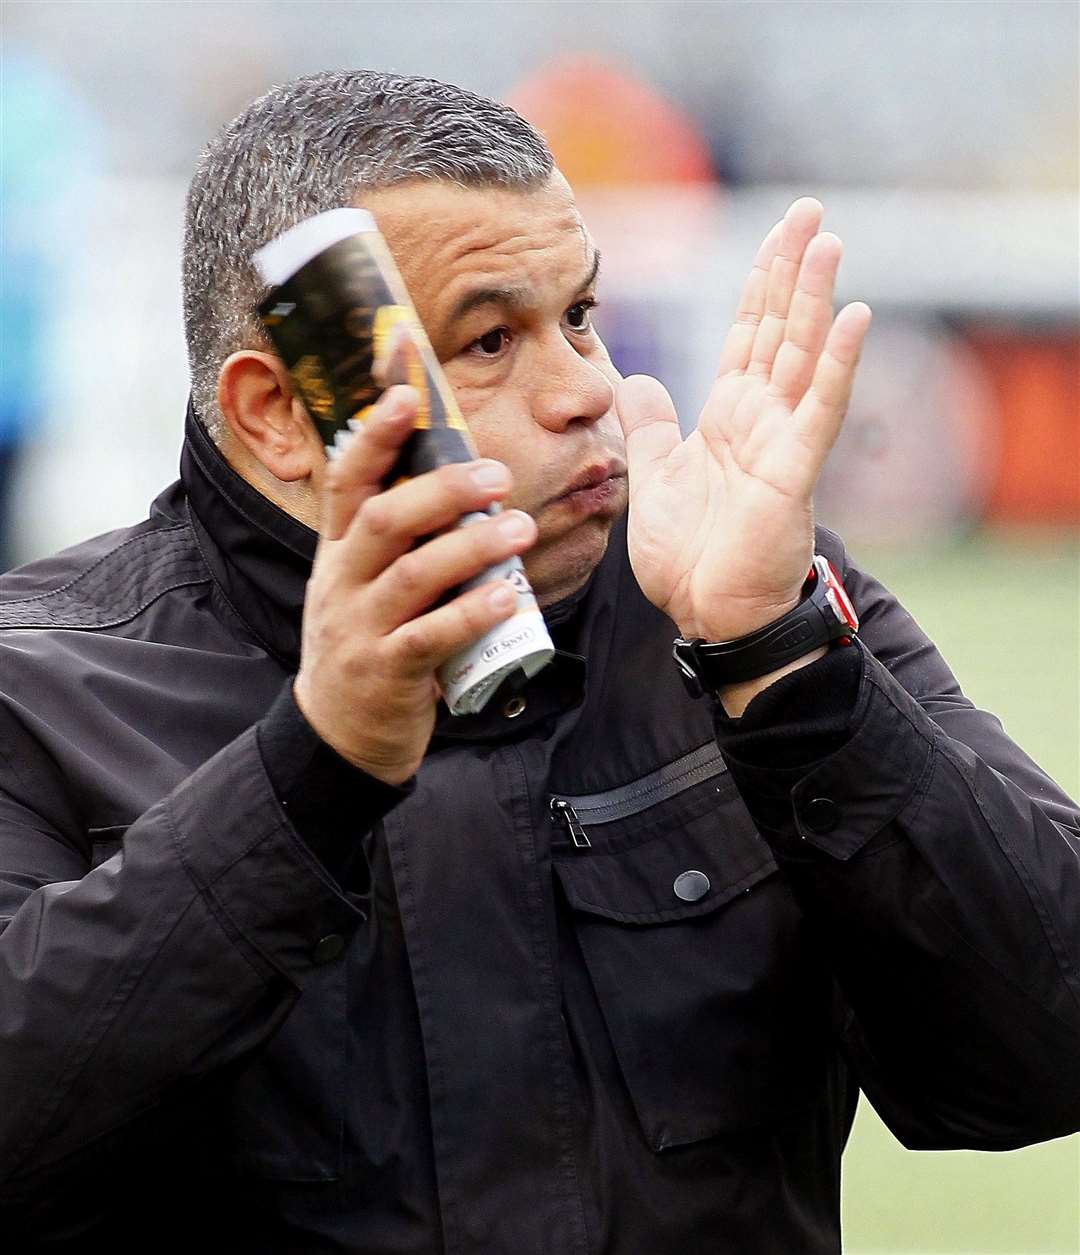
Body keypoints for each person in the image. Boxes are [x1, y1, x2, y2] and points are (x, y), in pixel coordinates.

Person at [0, 71, 1076, 1254]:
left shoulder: (746, 600)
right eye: (491, 338)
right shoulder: (42, 687)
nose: (588, 392)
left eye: (581, 317)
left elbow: (1040, 1058)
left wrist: (788, 673)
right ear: (277, 413)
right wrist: (312, 775)